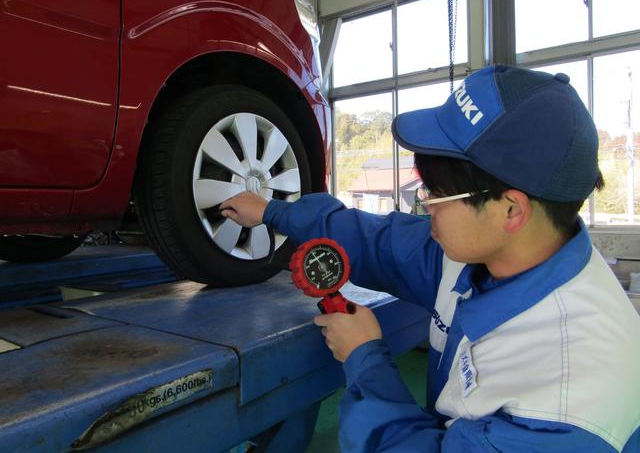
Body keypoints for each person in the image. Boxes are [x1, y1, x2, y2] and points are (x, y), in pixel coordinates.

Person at [220, 65, 640, 452]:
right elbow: (376, 240)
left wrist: (366, 359)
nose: (425, 206)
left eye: (436, 193)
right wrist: (272, 211)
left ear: (511, 209)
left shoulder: (569, 402)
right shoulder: (487, 252)